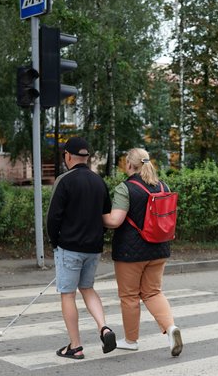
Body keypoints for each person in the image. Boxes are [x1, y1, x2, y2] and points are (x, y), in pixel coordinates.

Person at [102, 148, 183, 357]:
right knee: (153, 292)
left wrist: (97, 216)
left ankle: (131, 340)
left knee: (129, 296)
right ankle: (170, 328)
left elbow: (115, 220)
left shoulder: (125, 188)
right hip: (159, 248)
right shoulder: (163, 185)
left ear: (129, 165)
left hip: (131, 253)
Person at [46, 137, 118, 359]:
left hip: (69, 247)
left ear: (67, 156)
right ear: (86, 158)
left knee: (68, 294)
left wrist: (54, 243)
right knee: (87, 288)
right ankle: (104, 327)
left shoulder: (64, 181)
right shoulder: (99, 182)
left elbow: (53, 218)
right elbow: (105, 215)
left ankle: (75, 346)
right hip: (93, 248)